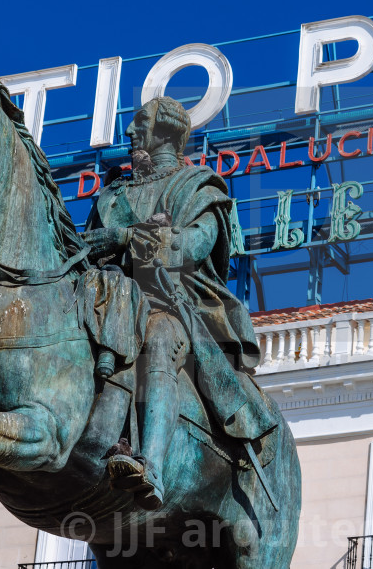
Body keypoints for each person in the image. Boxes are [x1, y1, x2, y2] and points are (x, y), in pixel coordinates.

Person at [82, 97, 278, 509]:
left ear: (166, 131)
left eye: (140, 124)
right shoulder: (111, 194)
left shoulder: (198, 187)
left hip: (171, 302)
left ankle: (148, 464)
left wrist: (126, 239)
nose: (130, 132)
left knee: (158, 336)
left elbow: (193, 245)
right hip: (103, 296)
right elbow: (83, 250)